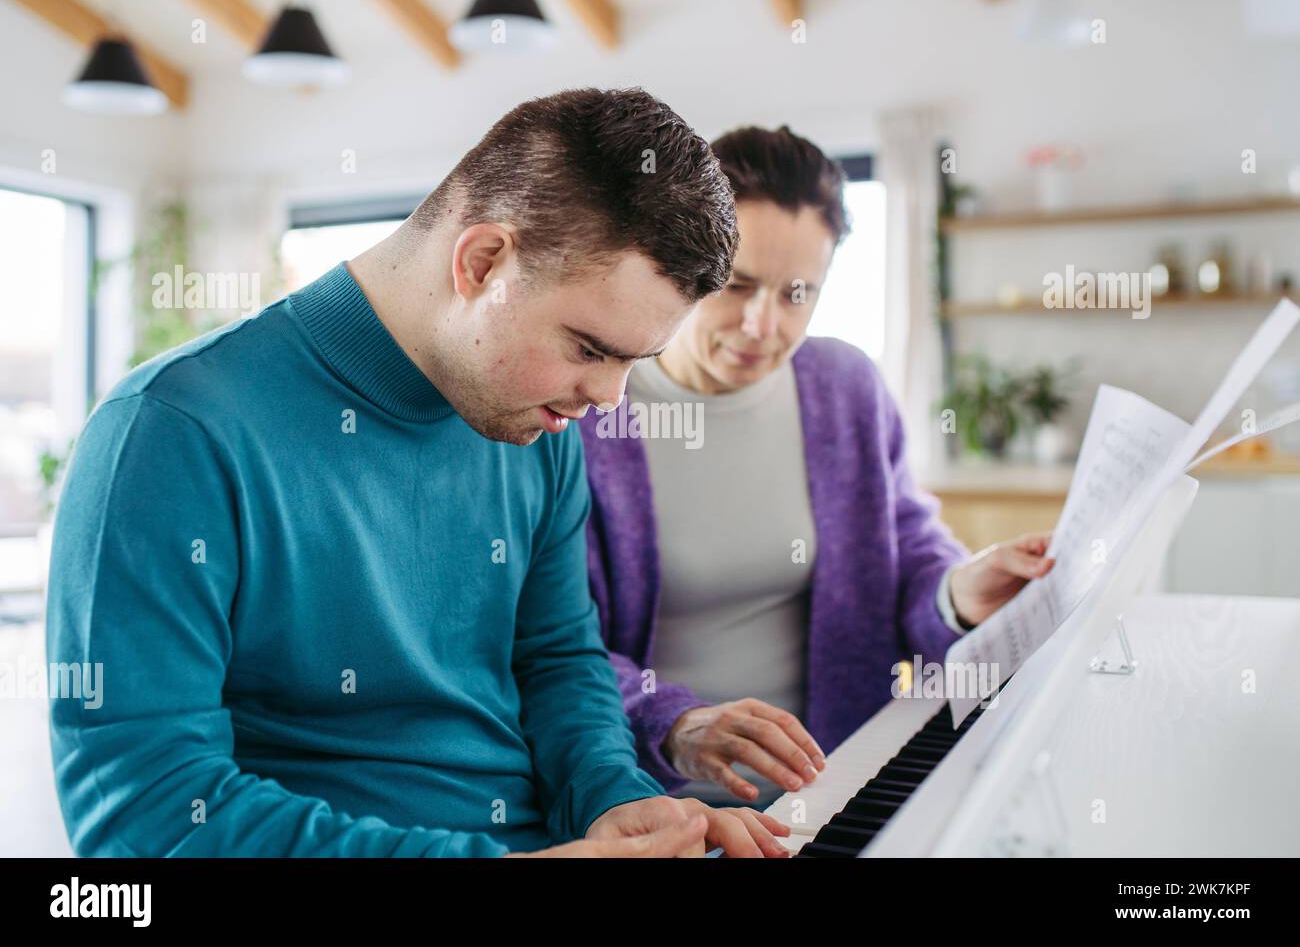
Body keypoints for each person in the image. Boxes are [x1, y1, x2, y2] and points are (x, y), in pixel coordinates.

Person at [45, 88, 791, 858]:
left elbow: (558, 659)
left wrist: (614, 802)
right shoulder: (171, 428)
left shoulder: (538, 423)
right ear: (482, 261)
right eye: (590, 349)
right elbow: (146, 810)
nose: (607, 398)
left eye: (636, 361)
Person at [580, 125, 1055, 807]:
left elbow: (910, 551)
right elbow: (562, 651)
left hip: (838, 788)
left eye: (797, 293)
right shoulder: (590, 411)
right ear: (681, 260)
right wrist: (676, 722)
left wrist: (956, 593)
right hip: (663, 804)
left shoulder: (846, 388)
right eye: (737, 286)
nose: (761, 325)